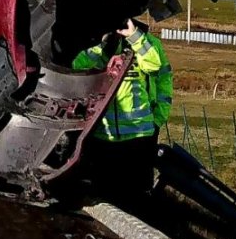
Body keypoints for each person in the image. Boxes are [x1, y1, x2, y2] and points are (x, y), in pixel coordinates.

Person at [73, 13, 173, 207]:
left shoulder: (147, 42)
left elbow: (154, 66)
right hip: (104, 136)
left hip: (139, 136)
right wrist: (103, 46)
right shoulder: (100, 44)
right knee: (104, 197)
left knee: (136, 198)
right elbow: (77, 65)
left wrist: (134, 37)